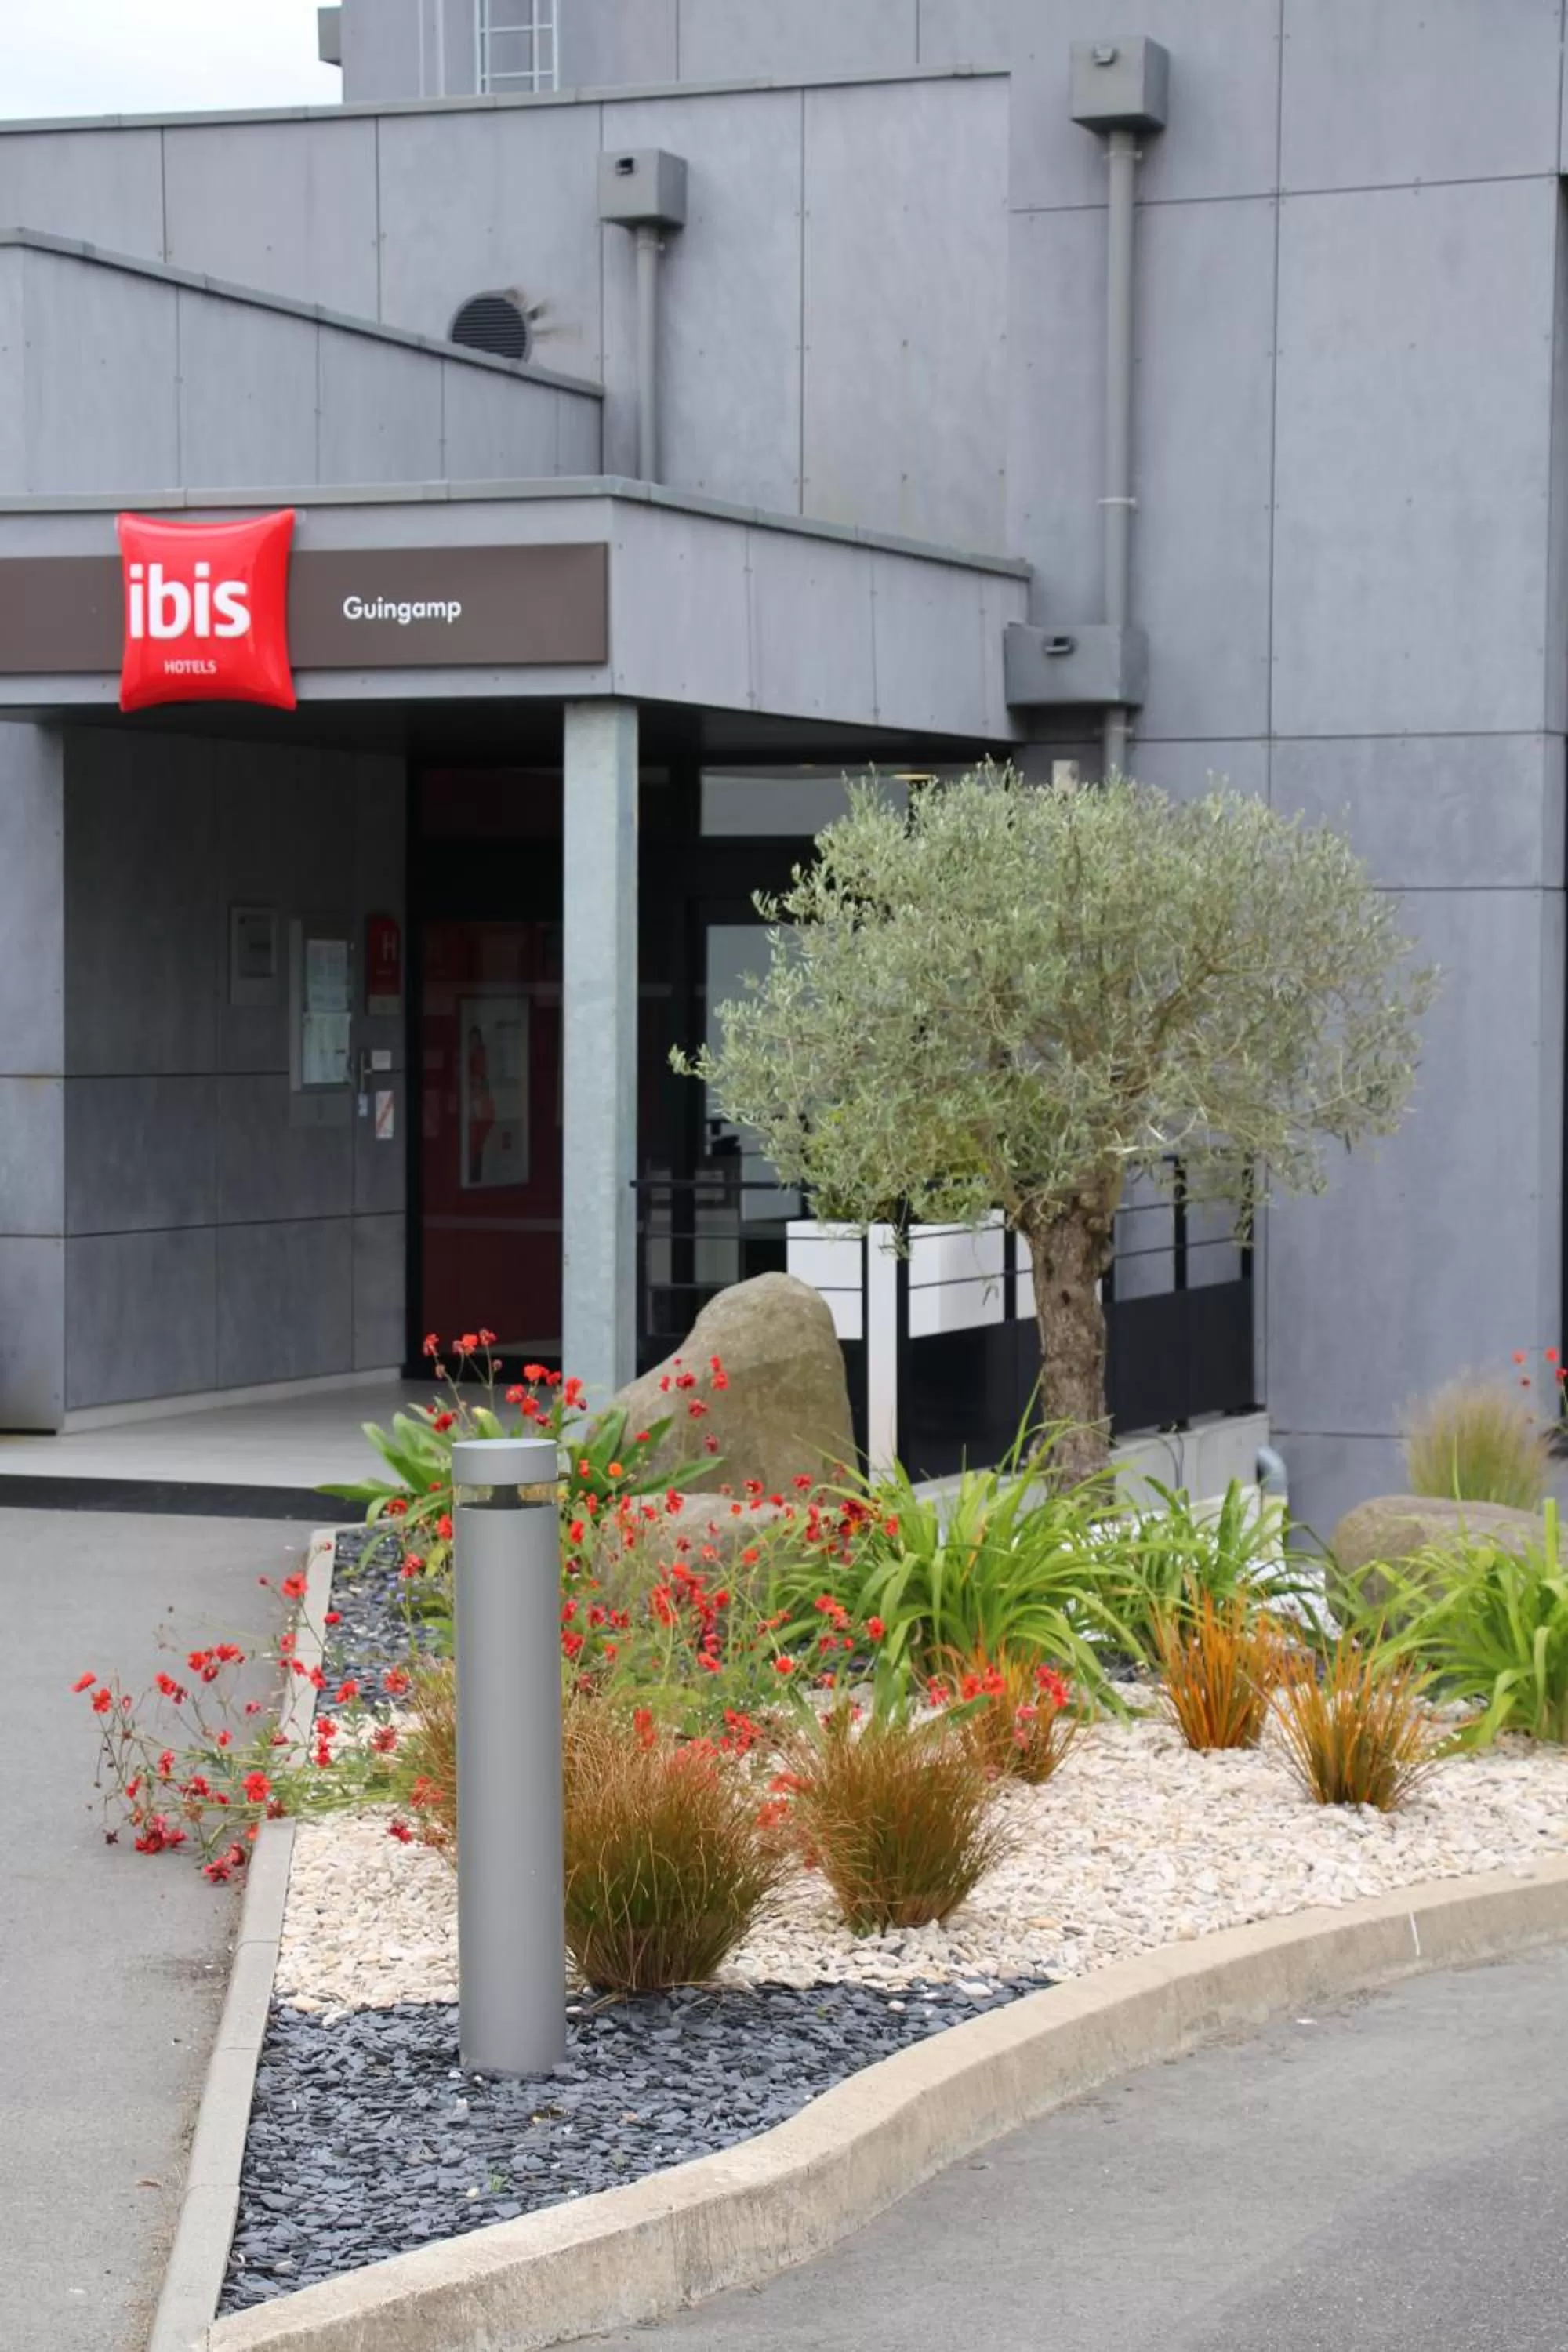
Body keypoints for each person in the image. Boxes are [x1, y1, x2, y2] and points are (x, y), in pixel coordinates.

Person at [466, 1023, 495, 1186]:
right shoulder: (477, 1055)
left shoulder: (478, 1055)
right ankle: (475, 1176)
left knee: (475, 1146)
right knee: (476, 1146)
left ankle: (475, 1177)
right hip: (481, 1110)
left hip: (480, 1110)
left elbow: (478, 1080)